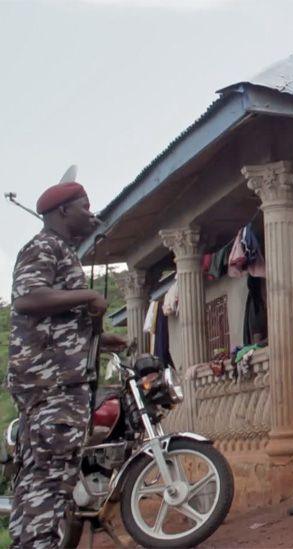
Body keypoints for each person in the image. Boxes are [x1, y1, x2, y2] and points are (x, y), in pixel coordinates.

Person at [7, 168, 126, 548]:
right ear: (61, 211)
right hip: (52, 387)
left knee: (41, 476)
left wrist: (101, 337)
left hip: (60, 384)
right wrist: (88, 298)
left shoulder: (63, 254)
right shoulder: (42, 247)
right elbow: (27, 298)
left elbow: (59, 323)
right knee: (51, 478)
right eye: (84, 207)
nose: (92, 214)